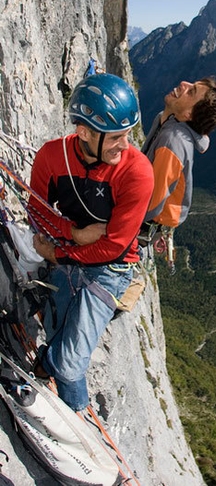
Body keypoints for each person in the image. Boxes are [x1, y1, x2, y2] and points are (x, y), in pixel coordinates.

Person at [28, 73, 154, 412]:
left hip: (111, 269)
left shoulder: (136, 172)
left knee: (69, 362)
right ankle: (53, 375)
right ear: (83, 132)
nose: (126, 145)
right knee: (57, 335)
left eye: (128, 134)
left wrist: (57, 253)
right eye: (116, 137)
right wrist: (74, 234)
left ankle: (77, 419)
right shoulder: (52, 157)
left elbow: (114, 246)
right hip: (70, 258)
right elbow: (36, 212)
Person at [140, 77, 216, 236]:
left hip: (145, 221)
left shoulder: (173, 141)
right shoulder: (166, 118)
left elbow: (152, 202)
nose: (183, 84)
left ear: (189, 114)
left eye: (191, 91)